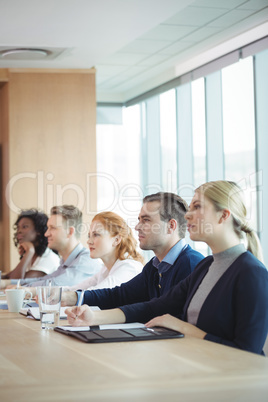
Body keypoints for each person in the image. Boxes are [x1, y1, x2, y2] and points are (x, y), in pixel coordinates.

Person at [66, 181, 268, 355]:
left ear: (223, 215)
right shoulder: (206, 266)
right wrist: (94, 317)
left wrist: (182, 327)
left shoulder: (252, 273)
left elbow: (247, 353)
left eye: (197, 207)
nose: (188, 215)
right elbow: (155, 307)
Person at [62, 192, 204, 307]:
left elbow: (164, 313)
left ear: (171, 226)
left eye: (146, 220)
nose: (137, 227)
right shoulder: (154, 267)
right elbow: (119, 295)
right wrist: (72, 297)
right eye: (139, 220)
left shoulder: (191, 264)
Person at [3, 205, 101, 292]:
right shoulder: (65, 262)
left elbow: (55, 285)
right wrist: (6, 283)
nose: (46, 234)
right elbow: (43, 280)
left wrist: (21, 288)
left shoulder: (86, 260)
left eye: (52, 228)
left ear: (70, 232)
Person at [63, 211, 144, 295]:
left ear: (116, 240)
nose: (89, 241)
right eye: (89, 236)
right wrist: (52, 293)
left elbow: (93, 294)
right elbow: (73, 290)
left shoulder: (128, 268)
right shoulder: (105, 269)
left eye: (96, 235)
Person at [2, 209, 59, 279]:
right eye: (18, 227)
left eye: (24, 227)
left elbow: (17, 282)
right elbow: (8, 276)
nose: (19, 231)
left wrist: (29, 252)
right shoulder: (33, 255)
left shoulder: (48, 258)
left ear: (38, 230)